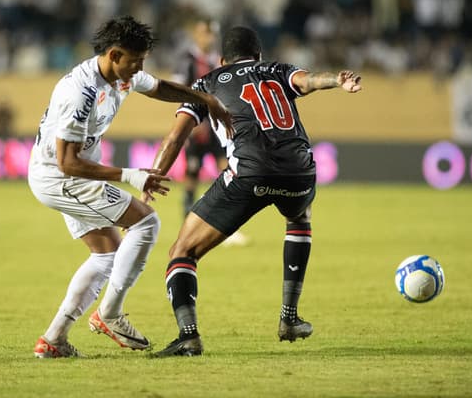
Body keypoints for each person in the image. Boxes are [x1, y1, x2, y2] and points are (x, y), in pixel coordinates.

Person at [146, 26, 362, 357]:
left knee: (182, 251)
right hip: (300, 171)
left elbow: (175, 137)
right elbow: (308, 81)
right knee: (299, 217)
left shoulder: (208, 82)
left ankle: (188, 336)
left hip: (249, 174)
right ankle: (289, 317)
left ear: (220, 60)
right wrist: (337, 80)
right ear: (258, 55)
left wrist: (153, 176)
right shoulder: (276, 69)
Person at [28, 15, 233, 358]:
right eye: (134, 60)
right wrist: (130, 175)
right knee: (146, 222)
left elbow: (160, 88)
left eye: (143, 60)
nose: (139, 67)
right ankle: (109, 314)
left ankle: (53, 340)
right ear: (113, 54)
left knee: (107, 253)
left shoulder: (123, 75)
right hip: (61, 176)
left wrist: (205, 99)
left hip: (71, 174)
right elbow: (68, 162)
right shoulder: (80, 92)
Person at [171, 18, 248, 246]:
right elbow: (177, 91)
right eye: (205, 33)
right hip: (196, 127)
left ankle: (227, 227)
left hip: (218, 129)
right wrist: (188, 123)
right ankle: (188, 228)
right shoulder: (186, 61)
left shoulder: (218, 61)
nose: (209, 37)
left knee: (228, 172)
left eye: (212, 33)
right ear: (196, 34)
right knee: (191, 176)